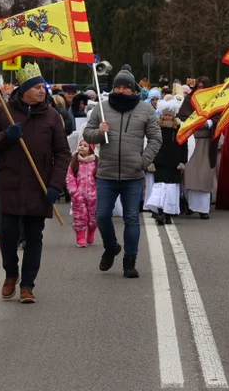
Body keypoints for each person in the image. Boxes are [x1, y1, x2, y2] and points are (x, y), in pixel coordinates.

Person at [0, 63, 72, 302]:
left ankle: (28, 284)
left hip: (39, 186)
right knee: (8, 234)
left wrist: (56, 185)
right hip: (8, 185)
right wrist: (5, 137)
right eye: (36, 87)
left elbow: (63, 153)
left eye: (43, 86)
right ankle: (11, 273)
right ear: (24, 90)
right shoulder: (4, 112)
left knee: (34, 236)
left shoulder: (52, 115)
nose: (42, 91)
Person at [82, 63, 162, 279]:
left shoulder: (145, 110)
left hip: (133, 175)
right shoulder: (102, 107)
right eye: (118, 87)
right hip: (106, 174)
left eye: (126, 87)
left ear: (134, 89)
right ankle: (111, 247)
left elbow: (156, 138)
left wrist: (143, 161)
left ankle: (130, 261)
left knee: (131, 219)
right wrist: (98, 132)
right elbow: (87, 134)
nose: (121, 91)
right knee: (102, 216)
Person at [145, 98, 186, 226]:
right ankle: (160, 212)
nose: (167, 117)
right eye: (165, 115)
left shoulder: (179, 128)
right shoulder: (156, 127)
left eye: (170, 115)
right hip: (160, 162)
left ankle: (169, 214)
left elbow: (183, 145)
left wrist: (183, 161)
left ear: (173, 115)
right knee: (160, 187)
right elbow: (151, 143)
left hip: (174, 163)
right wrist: (150, 160)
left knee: (171, 189)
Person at [184, 116, 219, 219]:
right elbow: (183, 117)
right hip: (191, 142)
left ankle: (203, 209)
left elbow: (219, 118)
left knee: (204, 176)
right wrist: (197, 122)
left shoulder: (214, 101)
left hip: (207, 145)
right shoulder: (189, 101)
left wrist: (210, 122)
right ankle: (189, 205)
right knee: (190, 175)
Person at [66, 138, 98, 247]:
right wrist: (74, 192)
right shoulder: (74, 162)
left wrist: (98, 193)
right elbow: (70, 178)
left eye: (85, 146)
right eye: (80, 145)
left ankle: (91, 232)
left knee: (93, 218)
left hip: (94, 197)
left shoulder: (96, 163)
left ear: (91, 149)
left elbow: (100, 179)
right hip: (78, 197)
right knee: (80, 217)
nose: (81, 147)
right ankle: (80, 238)